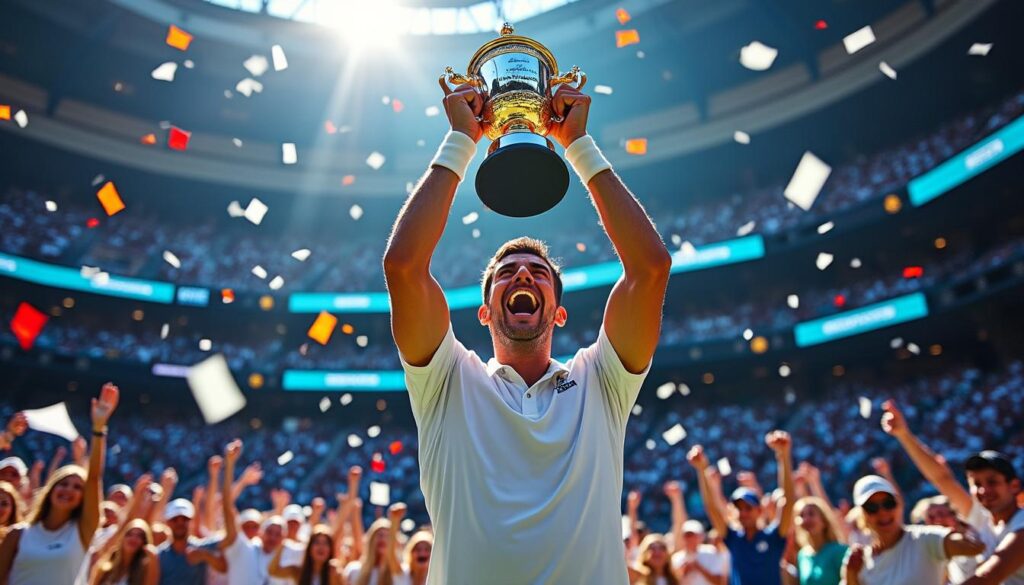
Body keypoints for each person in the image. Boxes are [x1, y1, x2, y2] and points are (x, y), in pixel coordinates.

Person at [382, 73, 671, 584]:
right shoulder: (446, 380)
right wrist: (462, 140)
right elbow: (404, 266)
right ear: (485, 311)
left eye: (538, 273)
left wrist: (577, 144)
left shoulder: (602, 381)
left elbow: (649, 269)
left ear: (559, 312)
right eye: (507, 273)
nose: (522, 274)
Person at [881, 400, 1024, 584]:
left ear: (1013, 486)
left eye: (992, 482)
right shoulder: (982, 520)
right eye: (976, 483)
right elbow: (942, 479)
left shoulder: (1021, 524)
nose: (984, 490)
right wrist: (903, 435)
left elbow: (990, 576)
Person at [0, 382, 119, 584]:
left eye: (77, 487)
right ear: (51, 489)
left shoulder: (82, 532)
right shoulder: (18, 534)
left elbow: (93, 478)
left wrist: (99, 429)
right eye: (63, 484)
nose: (69, 490)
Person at [687, 431, 796, 585]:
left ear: (759, 511)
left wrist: (784, 456)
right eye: (739, 508)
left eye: (748, 508)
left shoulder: (773, 536)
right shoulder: (733, 538)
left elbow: (788, 501)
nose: (743, 513)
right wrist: (701, 469)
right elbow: (711, 508)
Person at [841, 474, 984, 585]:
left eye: (888, 503)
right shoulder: (859, 561)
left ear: (900, 505)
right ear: (862, 515)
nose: (882, 512)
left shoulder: (925, 539)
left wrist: (963, 524)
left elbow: (974, 547)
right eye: (872, 507)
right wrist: (851, 577)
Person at [218, 439, 286, 585]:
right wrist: (229, 465)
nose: (272, 538)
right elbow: (226, 507)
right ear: (261, 533)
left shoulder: (285, 562)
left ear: (283, 539)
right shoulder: (243, 548)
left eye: (278, 534)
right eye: (269, 532)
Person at [156, 498, 224, 585]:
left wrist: (205, 556)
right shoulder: (158, 555)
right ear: (167, 522)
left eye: (185, 519)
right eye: (175, 519)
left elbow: (229, 540)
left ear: (191, 521)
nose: (180, 523)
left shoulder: (202, 547)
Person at [785, 497, 846, 585]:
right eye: (801, 515)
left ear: (824, 521)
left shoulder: (840, 551)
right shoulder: (802, 555)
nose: (806, 519)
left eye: (811, 514)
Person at [343, 504, 408, 585]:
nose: (383, 539)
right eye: (380, 535)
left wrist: (395, 521)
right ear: (371, 539)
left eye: (388, 537)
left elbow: (391, 555)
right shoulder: (354, 570)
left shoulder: (401, 572)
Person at [88, 519, 159, 585]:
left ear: (145, 542)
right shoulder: (109, 560)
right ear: (122, 538)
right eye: (129, 534)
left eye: (139, 536)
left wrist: (152, 556)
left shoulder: (144, 569)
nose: (133, 538)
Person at [269, 525, 345, 585]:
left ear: (330, 549)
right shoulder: (299, 572)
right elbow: (273, 571)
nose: (321, 547)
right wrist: (281, 547)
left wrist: (335, 577)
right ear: (309, 548)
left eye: (325, 543)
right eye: (317, 543)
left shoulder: (334, 572)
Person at [670, 520, 728, 585]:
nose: (689, 538)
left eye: (692, 535)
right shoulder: (676, 557)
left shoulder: (711, 552)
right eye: (687, 535)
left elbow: (720, 581)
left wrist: (698, 567)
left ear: (701, 536)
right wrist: (684, 571)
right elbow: (674, 581)